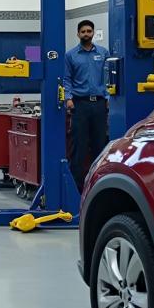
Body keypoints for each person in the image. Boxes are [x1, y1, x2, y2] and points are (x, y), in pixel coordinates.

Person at [63, 19, 111, 190]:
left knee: (100, 145)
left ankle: (99, 185)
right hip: (79, 106)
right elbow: (66, 79)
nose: (86, 34)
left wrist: (108, 98)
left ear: (93, 33)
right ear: (78, 34)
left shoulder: (103, 53)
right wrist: (68, 98)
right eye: (83, 32)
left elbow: (108, 77)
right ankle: (78, 188)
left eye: (89, 31)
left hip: (99, 105)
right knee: (79, 147)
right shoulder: (70, 55)